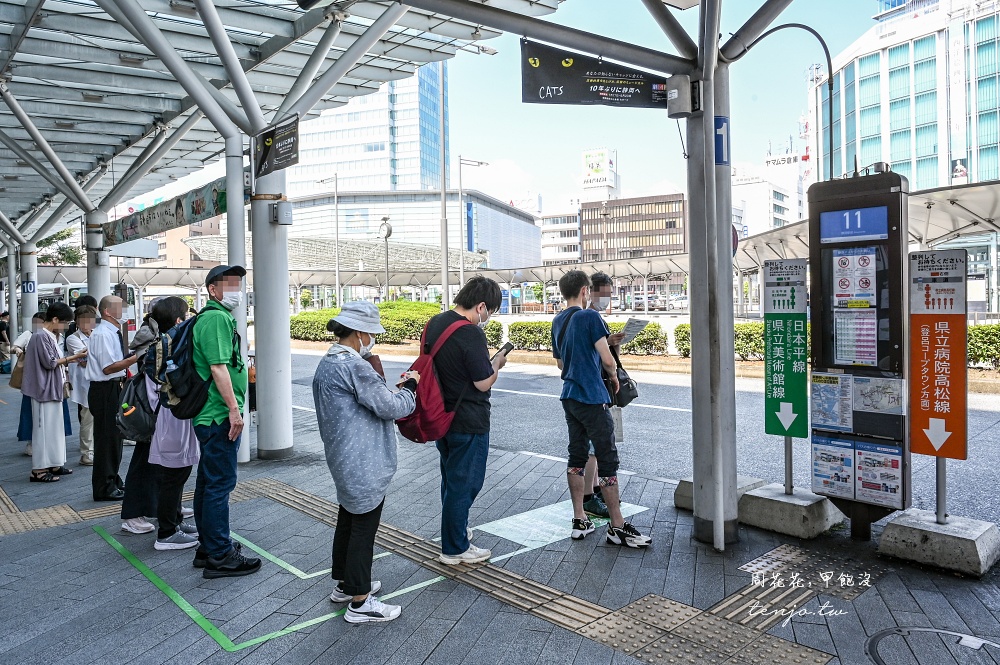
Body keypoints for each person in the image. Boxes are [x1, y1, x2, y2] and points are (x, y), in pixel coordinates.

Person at [314, 302, 419, 623]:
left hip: (342, 455)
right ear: (359, 332)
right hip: (363, 459)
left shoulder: (329, 361)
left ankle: (346, 584)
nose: (373, 339)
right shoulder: (355, 366)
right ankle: (360, 601)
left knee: (350, 517)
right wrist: (411, 387)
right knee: (363, 526)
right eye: (371, 333)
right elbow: (390, 406)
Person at [551, 270, 651, 548]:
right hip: (592, 397)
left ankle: (579, 519)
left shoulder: (558, 320)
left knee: (576, 456)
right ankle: (617, 526)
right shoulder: (590, 316)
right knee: (607, 460)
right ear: (585, 291)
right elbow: (607, 361)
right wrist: (613, 375)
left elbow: (561, 364)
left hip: (569, 396)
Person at [425, 276, 507, 565]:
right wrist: (496, 364)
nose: (487, 318)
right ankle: (455, 547)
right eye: (490, 312)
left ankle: (456, 530)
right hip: (468, 419)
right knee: (466, 483)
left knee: (451, 479)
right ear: (481, 306)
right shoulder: (471, 333)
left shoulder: (435, 322)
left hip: (440, 415)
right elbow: (483, 382)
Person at [191, 265, 258, 578]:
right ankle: (220, 554)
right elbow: (218, 368)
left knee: (208, 481)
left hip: (209, 415)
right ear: (212, 290)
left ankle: (208, 547)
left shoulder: (214, 317)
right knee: (220, 484)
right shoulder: (216, 318)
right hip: (218, 414)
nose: (236, 289)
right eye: (228, 283)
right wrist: (234, 409)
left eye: (239, 283)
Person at [145, 297, 201, 551]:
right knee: (173, 476)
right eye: (186, 315)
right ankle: (166, 533)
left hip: (172, 418)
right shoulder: (166, 348)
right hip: (172, 418)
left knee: (176, 474)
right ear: (178, 320)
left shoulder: (164, 344)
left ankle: (175, 521)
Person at [22, 303, 87, 483]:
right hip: (43, 390)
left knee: (54, 429)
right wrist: (73, 357)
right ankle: (39, 470)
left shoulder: (48, 336)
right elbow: (50, 362)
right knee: (44, 430)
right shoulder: (41, 336)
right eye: (65, 322)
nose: (66, 327)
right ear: (55, 319)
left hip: (51, 388)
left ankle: (54, 463)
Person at [581, 272, 626, 518]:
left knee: (597, 446)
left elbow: (605, 350)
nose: (607, 299)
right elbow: (594, 353)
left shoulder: (594, 318)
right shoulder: (586, 318)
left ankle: (596, 490)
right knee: (592, 447)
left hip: (599, 387)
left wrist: (613, 342)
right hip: (593, 388)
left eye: (610, 294)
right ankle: (589, 496)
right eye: (604, 294)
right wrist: (612, 366)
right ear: (590, 291)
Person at [119, 308, 166, 535]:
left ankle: (159, 506)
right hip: (150, 412)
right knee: (143, 462)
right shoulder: (151, 339)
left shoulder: (155, 336)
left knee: (156, 462)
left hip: (154, 411)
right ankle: (131, 514)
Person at [87, 295, 139, 501]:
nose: (125, 310)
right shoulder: (102, 335)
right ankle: (104, 487)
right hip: (104, 390)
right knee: (107, 439)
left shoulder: (113, 332)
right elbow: (108, 368)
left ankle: (113, 480)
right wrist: (138, 357)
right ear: (107, 311)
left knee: (115, 437)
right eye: (121, 306)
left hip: (113, 388)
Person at [66, 306, 97, 466]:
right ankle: (87, 453)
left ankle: (96, 448)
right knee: (87, 418)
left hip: (100, 382)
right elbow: (84, 361)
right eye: (82, 320)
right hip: (85, 384)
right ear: (76, 322)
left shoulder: (98, 335)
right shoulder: (72, 338)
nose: (86, 324)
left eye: (89, 320)